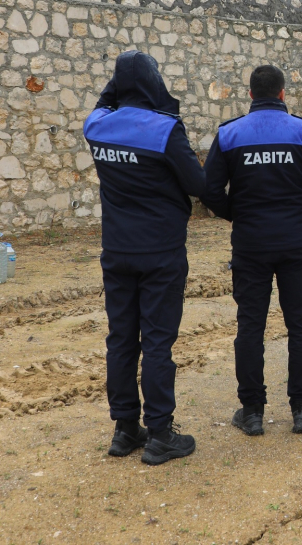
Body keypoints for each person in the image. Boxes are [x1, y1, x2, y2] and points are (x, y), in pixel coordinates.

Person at [201, 65, 302, 436]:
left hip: (250, 245)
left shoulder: (230, 134)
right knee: (300, 325)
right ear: (282, 94)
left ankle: (251, 411)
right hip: (296, 243)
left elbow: (210, 191)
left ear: (250, 94)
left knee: (250, 326)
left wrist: (238, 214)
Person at [83, 51, 206, 465]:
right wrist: (166, 105)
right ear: (155, 82)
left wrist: (116, 87)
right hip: (160, 251)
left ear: (116, 85)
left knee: (121, 339)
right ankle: (159, 434)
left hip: (116, 250)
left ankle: (123, 429)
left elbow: (103, 102)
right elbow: (196, 183)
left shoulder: (96, 125)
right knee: (157, 341)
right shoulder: (164, 129)